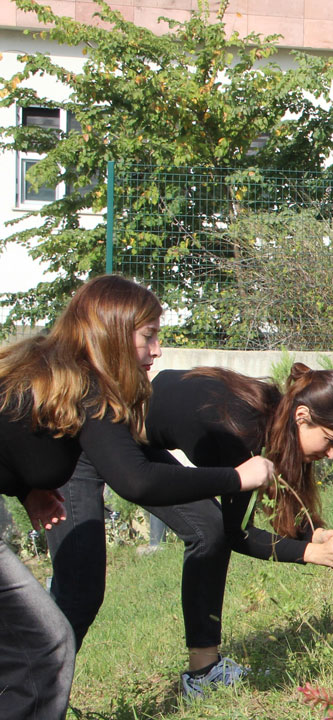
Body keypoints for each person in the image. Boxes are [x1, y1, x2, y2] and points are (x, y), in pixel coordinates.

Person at [0, 275, 273, 720]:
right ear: (111, 333)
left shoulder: (56, 372)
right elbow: (138, 481)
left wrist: (27, 488)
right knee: (44, 643)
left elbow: (15, 439)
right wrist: (237, 478)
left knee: (44, 641)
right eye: (148, 336)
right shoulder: (86, 384)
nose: (158, 349)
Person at [47, 363, 333, 697]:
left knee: (207, 529)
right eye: (330, 441)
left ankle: (203, 673)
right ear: (302, 415)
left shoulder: (272, 414)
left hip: (133, 443)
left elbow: (253, 510)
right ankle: (31, 685)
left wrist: (313, 534)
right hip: (86, 442)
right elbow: (239, 534)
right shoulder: (239, 429)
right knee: (79, 592)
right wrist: (311, 553)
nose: (330, 454)